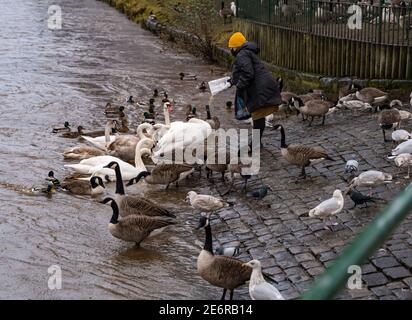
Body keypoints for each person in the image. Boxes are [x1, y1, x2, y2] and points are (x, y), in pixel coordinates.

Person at [228, 32, 282, 147]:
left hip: (259, 89)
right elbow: (244, 70)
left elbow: (248, 72)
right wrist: (233, 80)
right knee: (259, 116)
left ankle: (255, 144)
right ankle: (257, 142)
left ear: (236, 47)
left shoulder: (242, 54)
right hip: (261, 87)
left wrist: (239, 85)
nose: (231, 50)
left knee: (257, 116)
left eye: (231, 47)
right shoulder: (247, 52)